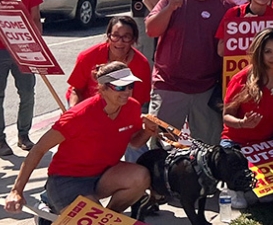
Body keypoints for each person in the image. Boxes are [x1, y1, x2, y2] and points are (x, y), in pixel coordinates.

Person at [4, 63, 158, 216]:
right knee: (91, 215)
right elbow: (39, 149)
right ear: (103, 87)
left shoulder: (132, 107)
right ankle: (51, 202)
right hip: (68, 180)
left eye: (130, 85)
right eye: (120, 87)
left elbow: (134, 142)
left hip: (104, 175)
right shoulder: (78, 116)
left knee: (140, 177)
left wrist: (147, 132)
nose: (127, 91)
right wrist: (17, 190)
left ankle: (109, 215)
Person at [146, 0, 237, 146]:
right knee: (161, 146)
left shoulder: (228, 6)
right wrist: (170, 8)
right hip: (169, 86)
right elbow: (151, 30)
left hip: (207, 88)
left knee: (208, 147)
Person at [222, 28, 273, 208]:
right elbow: (226, 117)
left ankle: (253, 188)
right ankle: (234, 189)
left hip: (266, 143)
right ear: (259, 53)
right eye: (268, 51)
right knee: (240, 201)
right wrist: (242, 124)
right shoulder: (241, 79)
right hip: (236, 143)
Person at [0, 0, 44, 154]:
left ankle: (23, 134)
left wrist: (38, 47)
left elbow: (35, 18)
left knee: (27, 94)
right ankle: (0, 140)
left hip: (24, 50)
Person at [67, 16, 151, 109]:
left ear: (133, 39)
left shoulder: (141, 64)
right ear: (108, 36)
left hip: (122, 112)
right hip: (86, 108)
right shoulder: (88, 56)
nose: (119, 42)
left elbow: (138, 102)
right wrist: (73, 111)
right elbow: (76, 90)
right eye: (115, 36)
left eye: (126, 37)